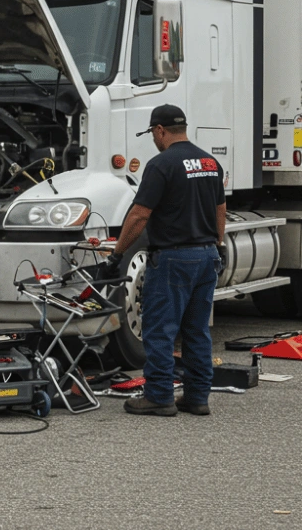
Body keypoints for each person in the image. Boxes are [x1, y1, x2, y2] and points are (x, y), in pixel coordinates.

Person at [107, 105, 226, 417]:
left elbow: (139, 215)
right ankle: (198, 397)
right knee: (197, 330)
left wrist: (118, 253)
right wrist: (219, 243)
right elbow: (220, 209)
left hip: (174, 257)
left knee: (159, 329)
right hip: (206, 255)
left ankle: (159, 396)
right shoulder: (210, 162)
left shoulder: (161, 165)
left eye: (153, 134)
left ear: (159, 130)